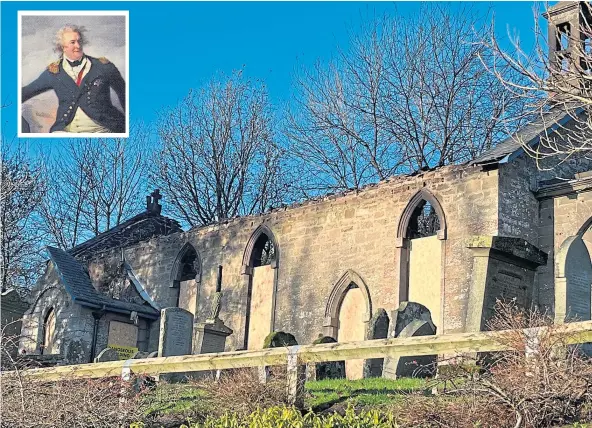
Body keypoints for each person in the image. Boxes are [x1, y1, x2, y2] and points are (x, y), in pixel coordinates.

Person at [21, 24, 126, 134]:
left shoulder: (104, 67)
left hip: (104, 130)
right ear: (62, 47)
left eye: (79, 41)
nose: (78, 46)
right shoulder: (54, 72)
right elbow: (25, 92)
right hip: (65, 132)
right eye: (72, 42)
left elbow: (125, 95)